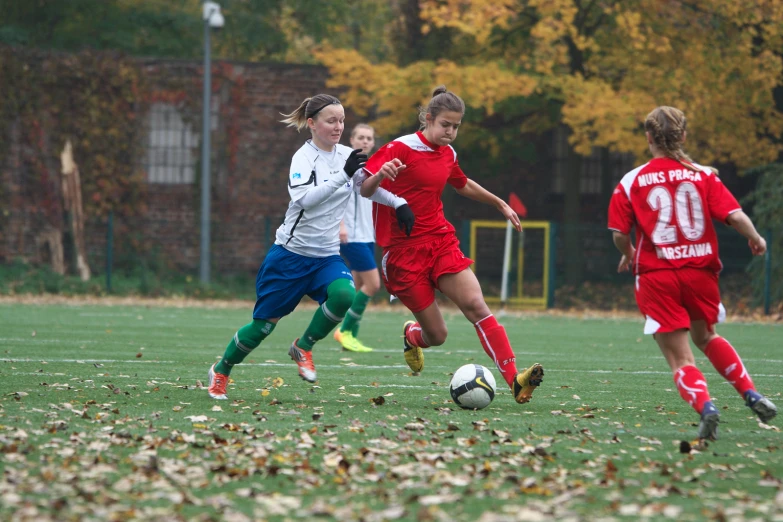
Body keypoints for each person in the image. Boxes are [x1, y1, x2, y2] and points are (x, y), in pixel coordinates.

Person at [207, 94, 413, 399]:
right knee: (262, 328)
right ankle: (221, 370)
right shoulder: (303, 158)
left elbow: (366, 190)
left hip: (326, 256)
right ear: (312, 123)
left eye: (342, 120)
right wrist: (342, 174)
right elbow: (303, 199)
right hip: (290, 255)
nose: (338, 126)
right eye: (331, 120)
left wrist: (399, 202)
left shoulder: (346, 154)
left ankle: (303, 346)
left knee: (345, 295)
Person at [358, 86, 544, 404]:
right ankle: (411, 335)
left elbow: (462, 183)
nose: (451, 131)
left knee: (476, 306)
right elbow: (363, 187)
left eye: (456, 126)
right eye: (446, 124)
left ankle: (515, 380)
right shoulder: (400, 148)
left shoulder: (448, 154)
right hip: (402, 254)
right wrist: (380, 176)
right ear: (428, 119)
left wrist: (499, 203)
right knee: (437, 336)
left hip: (440, 241)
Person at [607, 105, 777, 441]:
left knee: (681, 357)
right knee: (707, 336)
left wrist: (629, 255)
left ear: (649, 137)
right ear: (683, 136)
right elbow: (736, 215)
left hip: (658, 277)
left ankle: (706, 407)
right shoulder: (703, 175)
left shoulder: (632, 180)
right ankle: (751, 393)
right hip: (701, 273)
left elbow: (619, 235)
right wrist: (755, 239)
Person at [333, 124, 380, 353]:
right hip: (351, 235)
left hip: (367, 234)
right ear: (352, 139)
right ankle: (344, 331)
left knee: (360, 285)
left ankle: (350, 336)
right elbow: (336, 197)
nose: (364, 141)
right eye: (360, 137)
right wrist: (340, 225)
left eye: (368, 138)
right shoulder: (347, 165)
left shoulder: (374, 167)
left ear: (372, 142)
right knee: (373, 284)